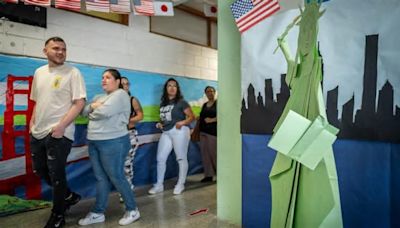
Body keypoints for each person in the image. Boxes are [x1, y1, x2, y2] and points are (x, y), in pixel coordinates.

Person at [29, 36, 86, 228]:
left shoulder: (73, 72)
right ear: (45, 51)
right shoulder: (39, 72)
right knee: (40, 169)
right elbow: (38, 101)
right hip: (37, 131)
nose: (60, 52)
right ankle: (69, 196)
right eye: (55, 48)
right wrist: (32, 123)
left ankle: (58, 215)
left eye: (63, 49)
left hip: (59, 133)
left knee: (56, 174)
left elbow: (79, 103)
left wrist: (61, 126)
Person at [78, 69, 140, 226]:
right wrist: (93, 106)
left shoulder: (121, 95)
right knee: (101, 178)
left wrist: (92, 109)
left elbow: (102, 113)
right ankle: (98, 212)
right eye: (102, 77)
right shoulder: (99, 97)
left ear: (117, 81)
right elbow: (82, 111)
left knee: (117, 176)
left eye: (108, 77)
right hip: (94, 141)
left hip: (114, 141)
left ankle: (132, 210)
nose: (103, 80)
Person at [148, 78, 195, 195]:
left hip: (179, 130)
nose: (172, 88)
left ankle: (180, 184)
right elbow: (165, 119)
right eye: (169, 85)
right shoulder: (163, 104)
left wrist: (182, 123)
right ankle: (159, 185)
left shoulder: (181, 102)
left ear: (177, 89)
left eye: (175, 86)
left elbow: (191, 117)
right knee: (160, 158)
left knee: (181, 158)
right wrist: (160, 123)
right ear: (166, 88)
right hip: (166, 132)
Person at [120, 76, 144, 202]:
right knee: (119, 165)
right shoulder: (114, 101)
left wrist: (129, 121)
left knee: (127, 164)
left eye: (127, 84)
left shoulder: (132, 100)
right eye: (122, 84)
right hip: (116, 137)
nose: (125, 86)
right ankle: (124, 189)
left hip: (130, 135)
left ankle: (127, 190)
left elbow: (141, 115)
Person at [198, 86, 217, 182]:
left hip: (213, 133)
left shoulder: (218, 104)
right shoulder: (205, 105)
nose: (210, 93)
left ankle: (221, 174)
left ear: (214, 92)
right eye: (208, 91)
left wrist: (212, 120)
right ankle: (208, 175)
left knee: (214, 154)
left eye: (212, 91)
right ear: (205, 94)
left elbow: (223, 115)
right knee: (205, 154)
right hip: (203, 132)